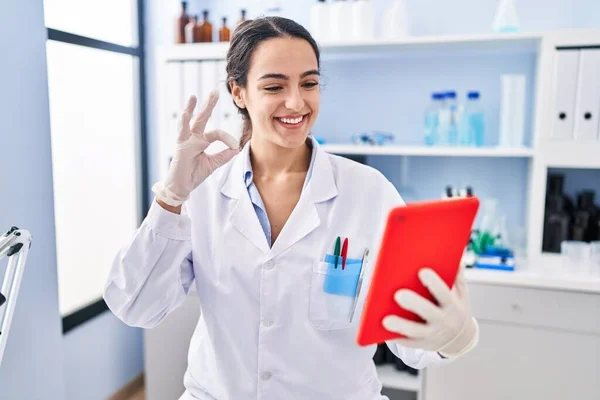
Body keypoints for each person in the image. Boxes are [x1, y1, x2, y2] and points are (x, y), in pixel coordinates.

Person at [104, 16, 479, 400]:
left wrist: (451, 336)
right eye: (274, 86)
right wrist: (171, 197)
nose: (296, 102)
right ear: (239, 93)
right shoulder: (202, 192)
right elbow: (136, 306)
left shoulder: (369, 192)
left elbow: (407, 340)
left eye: (309, 83)